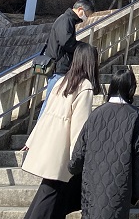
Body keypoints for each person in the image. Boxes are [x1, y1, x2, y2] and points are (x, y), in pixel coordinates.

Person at [22, 42, 101, 219]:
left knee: (51, 190)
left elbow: (45, 114)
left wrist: (32, 140)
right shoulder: (85, 86)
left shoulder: (63, 82)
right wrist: (78, 155)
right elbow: (79, 125)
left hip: (48, 141)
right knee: (52, 191)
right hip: (62, 148)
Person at [69, 67, 139, 219]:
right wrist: (137, 191)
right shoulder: (135, 116)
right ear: (131, 89)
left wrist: (73, 167)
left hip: (92, 183)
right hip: (120, 184)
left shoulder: (96, 114)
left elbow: (80, 148)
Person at [40, 0, 95, 116]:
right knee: (50, 102)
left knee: (52, 101)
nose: (86, 18)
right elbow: (66, 42)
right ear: (80, 10)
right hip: (58, 67)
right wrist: (82, 47)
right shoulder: (66, 20)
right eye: (87, 14)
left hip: (59, 66)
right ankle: (40, 128)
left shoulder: (66, 20)